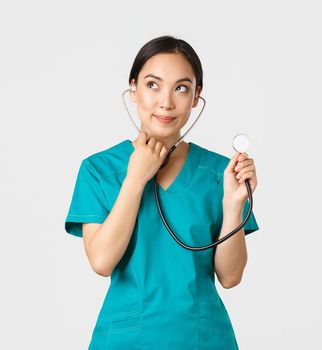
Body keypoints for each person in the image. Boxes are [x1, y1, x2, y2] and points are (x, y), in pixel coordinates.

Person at [64, 35, 260, 349]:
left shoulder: (219, 173)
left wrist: (233, 204)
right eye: (153, 85)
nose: (165, 102)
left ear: (196, 96)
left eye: (181, 88)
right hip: (127, 339)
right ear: (133, 88)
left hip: (203, 338)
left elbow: (230, 276)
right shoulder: (99, 170)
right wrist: (135, 179)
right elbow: (101, 261)